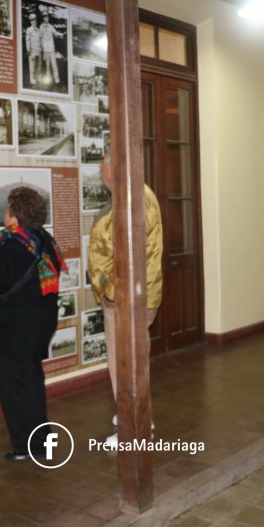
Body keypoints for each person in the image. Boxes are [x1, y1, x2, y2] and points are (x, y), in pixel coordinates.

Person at [0, 186, 66, 461]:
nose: (5, 214)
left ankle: (26, 446)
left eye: (7, 210)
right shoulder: (45, 241)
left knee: (15, 392)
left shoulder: (11, 248)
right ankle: (43, 440)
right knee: (32, 385)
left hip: (12, 332)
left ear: (14, 217)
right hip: (39, 327)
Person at [87, 150, 163, 449]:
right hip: (119, 296)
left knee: (128, 363)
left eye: (105, 161)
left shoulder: (135, 196)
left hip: (125, 298)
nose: (99, 167)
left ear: (116, 165)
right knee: (124, 363)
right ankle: (131, 421)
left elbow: (130, 251)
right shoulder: (128, 194)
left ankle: (135, 428)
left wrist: (109, 289)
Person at [38, 12, 62, 85]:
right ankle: (48, 80)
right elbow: (40, 37)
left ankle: (57, 80)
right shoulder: (41, 27)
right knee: (47, 65)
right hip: (45, 49)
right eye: (44, 17)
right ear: (43, 18)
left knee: (54, 65)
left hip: (51, 48)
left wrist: (61, 34)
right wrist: (41, 46)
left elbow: (55, 33)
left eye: (47, 17)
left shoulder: (51, 27)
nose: (46, 18)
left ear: (48, 18)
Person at [24, 13, 42, 87]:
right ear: (30, 21)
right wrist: (28, 50)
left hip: (38, 50)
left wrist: (41, 48)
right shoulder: (29, 30)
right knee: (32, 67)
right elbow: (27, 40)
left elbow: (40, 40)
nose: (34, 22)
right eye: (32, 20)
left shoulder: (38, 30)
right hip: (32, 51)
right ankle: (32, 81)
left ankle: (38, 81)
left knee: (38, 66)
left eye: (35, 20)